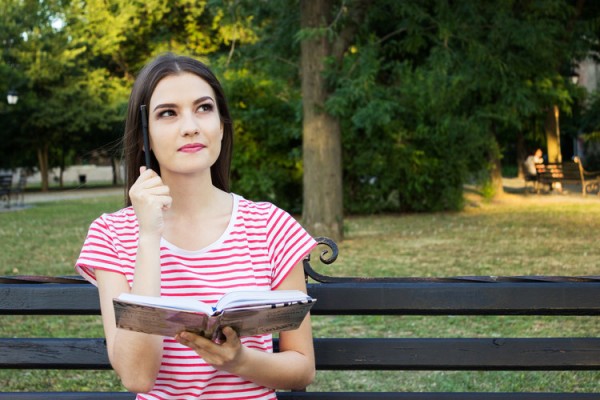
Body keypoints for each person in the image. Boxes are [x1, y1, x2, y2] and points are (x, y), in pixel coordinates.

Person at [75, 53, 317, 399]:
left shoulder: (269, 226)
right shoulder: (112, 234)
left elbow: (302, 367)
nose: (190, 126)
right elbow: (137, 376)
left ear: (221, 124)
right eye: (168, 113)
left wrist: (240, 360)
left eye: (203, 108)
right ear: (144, 137)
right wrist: (148, 236)